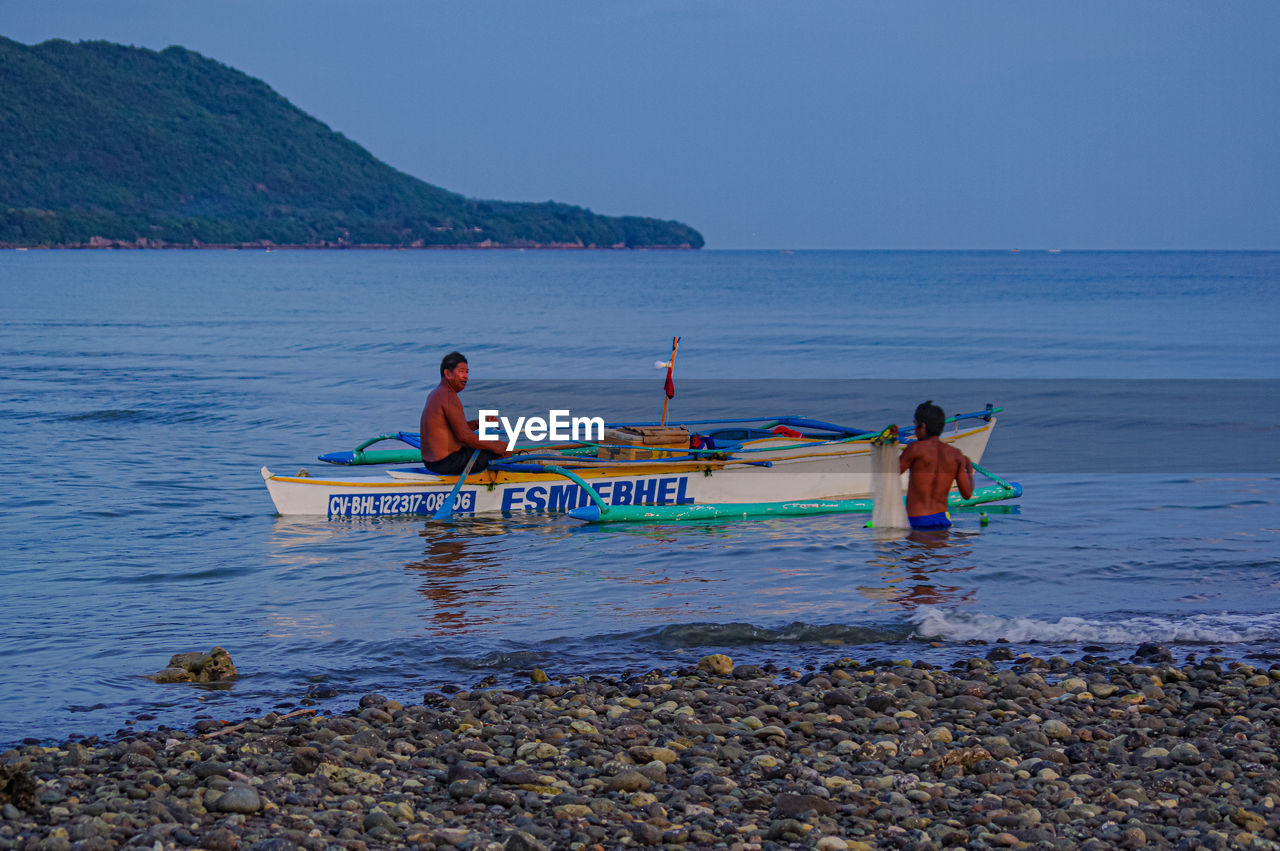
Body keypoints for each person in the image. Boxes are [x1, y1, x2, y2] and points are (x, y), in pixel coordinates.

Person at [419, 352, 509, 475]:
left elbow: (453, 429)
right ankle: (494, 488)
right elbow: (464, 436)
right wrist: (496, 446)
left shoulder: (435, 394)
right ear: (448, 374)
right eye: (461, 371)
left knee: (490, 444)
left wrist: (479, 423)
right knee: (505, 450)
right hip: (447, 463)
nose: (466, 376)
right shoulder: (449, 396)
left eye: (467, 372)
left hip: (431, 463)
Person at [898, 400, 974, 530]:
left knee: (915, 548)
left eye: (915, 425)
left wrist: (885, 445)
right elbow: (967, 495)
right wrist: (969, 472)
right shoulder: (956, 455)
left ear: (923, 426)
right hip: (942, 521)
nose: (915, 429)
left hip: (916, 521)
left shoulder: (915, 448)